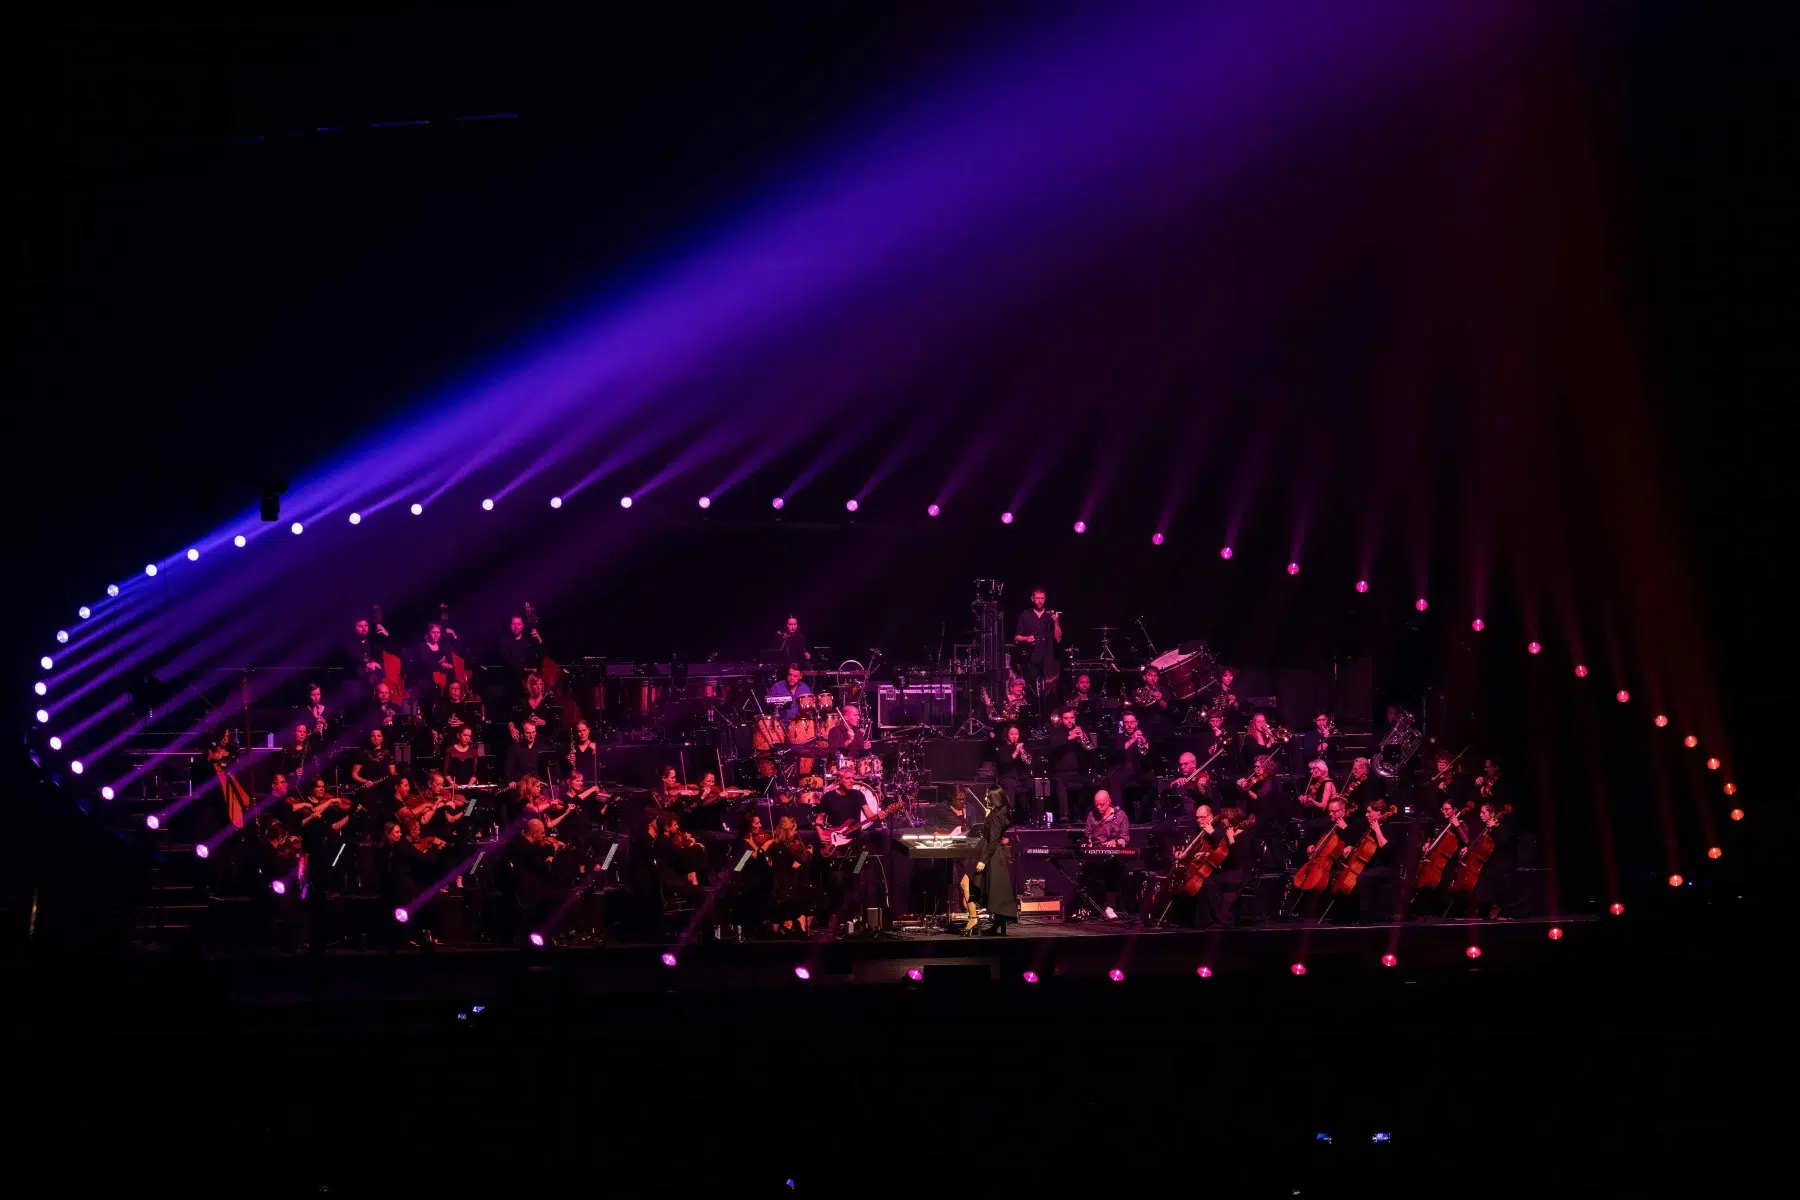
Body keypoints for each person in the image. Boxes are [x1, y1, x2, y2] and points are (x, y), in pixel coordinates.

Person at [958, 786, 1017, 936]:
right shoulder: (999, 812)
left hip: (986, 852)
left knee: (967, 883)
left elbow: (993, 840)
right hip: (986, 851)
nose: (985, 799)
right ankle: (993, 923)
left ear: (994, 798)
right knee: (992, 888)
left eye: (987, 796)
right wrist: (989, 815)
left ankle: (973, 919)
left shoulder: (996, 815)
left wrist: (983, 860)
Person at [1080, 789, 1130, 917]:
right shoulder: (1092, 815)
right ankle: (1085, 906)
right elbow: (1087, 835)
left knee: (1112, 867)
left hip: (1113, 855)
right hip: (1096, 853)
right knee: (1086, 870)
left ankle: (1110, 906)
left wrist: (1115, 842)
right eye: (1096, 804)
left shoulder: (1121, 816)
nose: (1098, 807)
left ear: (1109, 802)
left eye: (1101, 804)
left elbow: (1125, 839)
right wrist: (1088, 843)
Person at [1012, 588, 1062, 714]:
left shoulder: (1050, 615)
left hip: (1048, 658)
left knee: (1049, 692)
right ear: (1032, 599)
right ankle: (1035, 716)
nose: (1040, 601)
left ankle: (1048, 716)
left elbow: (1058, 638)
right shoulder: (1025, 615)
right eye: (1037, 598)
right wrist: (1027, 638)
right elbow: (1016, 637)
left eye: (1042, 598)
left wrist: (1056, 622)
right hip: (1031, 659)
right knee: (1033, 691)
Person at [1046, 706, 1095, 825]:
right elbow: (1053, 748)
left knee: (1092, 782)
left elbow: (1090, 748)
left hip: (1078, 772)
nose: (1069, 721)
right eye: (1066, 718)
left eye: (1072, 718)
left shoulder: (1080, 730)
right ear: (1061, 720)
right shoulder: (1056, 732)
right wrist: (1069, 738)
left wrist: (1083, 739)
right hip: (1060, 773)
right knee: (1059, 782)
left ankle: (1084, 815)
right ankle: (1064, 817)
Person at [1108, 711, 1155, 822]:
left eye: (1132, 722)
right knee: (1114, 780)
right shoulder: (1118, 737)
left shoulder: (1142, 735)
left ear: (1136, 722)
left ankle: (1146, 818)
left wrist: (1145, 742)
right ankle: (1119, 815)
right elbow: (1116, 752)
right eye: (1126, 723)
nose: (1129, 725)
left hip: (1138, 770)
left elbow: (1149, 755)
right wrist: (1132, 740)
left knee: (1153, 780)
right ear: (1123, 724)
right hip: (1122, 770)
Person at [994, 723, 1037, 825]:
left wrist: (1023, 754)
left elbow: (1029, 763)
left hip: (1020, 778)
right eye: (1012, 734)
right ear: (1007, 735)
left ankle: (1033, 817)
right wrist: (1016, 752)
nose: (1014, 736)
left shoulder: (1022, 747)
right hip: (1006, 777)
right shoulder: (1002, 748)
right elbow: (1004, 764)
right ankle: (1008, 818)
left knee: (1033, 783)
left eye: (1016, 734)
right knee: (1010, 785)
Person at [1168, 751, 1222, 822]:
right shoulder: (1180, 779)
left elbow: (1208, 796)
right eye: (1181, 764)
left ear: (1194, 764)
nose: (1182, 767)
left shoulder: (1203, 777)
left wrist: (1201, 786)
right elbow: (1169, 791)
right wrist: (1174, 784)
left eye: (1185, 764)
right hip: (1183, 819)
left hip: (1201, 819)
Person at [509, 673, 554, 742]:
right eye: (536, 684)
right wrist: (511, 727)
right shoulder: (523, 702)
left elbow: (555, 724)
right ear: (530, 686)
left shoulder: (548, 701)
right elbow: (512, 718)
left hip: (543, 739)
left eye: (540, 684)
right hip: (526, 739)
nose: (539, 687)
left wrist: (544, 722)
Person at [349, 727, 397, 791]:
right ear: (370, 738)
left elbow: (392, 773)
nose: (376, 738)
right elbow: (354, 774)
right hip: (368, 788)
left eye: (379, 736)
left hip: (385, 787)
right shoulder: (362, 753)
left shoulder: (388, 753)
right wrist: (365, 781)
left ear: (382, 738)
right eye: (373, 736)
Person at [503, 721, 544, 785]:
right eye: (528, 733)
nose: (531, 736)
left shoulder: (542, 747)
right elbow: (508, 769)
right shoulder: (514, 748)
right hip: (521, 784)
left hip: (537, 784)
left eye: (533, 732)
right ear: (522, 733)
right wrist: (510, 781)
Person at [565, 720, 602, 784]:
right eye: (579, 731)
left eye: (584, 730)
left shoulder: (595, 746)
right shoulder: (572, 748)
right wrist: (568, 760)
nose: (582, 733)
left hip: (593, 782)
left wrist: (596, 752)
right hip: (578, 783)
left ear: (588, 730)